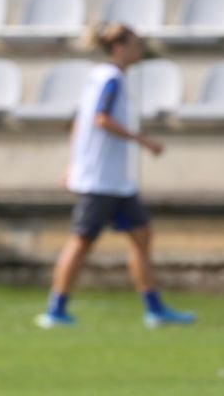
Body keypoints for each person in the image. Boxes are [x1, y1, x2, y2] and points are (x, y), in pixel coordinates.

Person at [36, 23, 196, 330]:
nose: (141, 50)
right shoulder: (111, 79)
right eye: (136, 44)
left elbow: (79, 123)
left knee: (142, 236)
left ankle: (155, 309)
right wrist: (142, 140)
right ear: (120, 47)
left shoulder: (98, 77)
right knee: (82, 242)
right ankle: (55, 310)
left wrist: (73, 163)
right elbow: (99, 119)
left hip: (115, 180)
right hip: (101, 179)